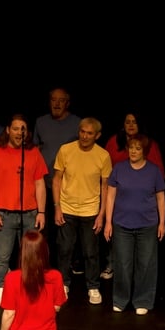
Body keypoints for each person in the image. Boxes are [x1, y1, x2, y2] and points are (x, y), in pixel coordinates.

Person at [0, 114, 48, 307]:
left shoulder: (33, 152)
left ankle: (29, 288)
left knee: (30, 254)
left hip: (29, 212)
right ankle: (0, 287)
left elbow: (39, 183)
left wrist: (41, 212)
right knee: (3, 254)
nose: (20, 132)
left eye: (23, 129)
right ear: (8, 130)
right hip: (3, 212)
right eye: (16, 128)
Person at [103, 133, 165, 315]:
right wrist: (108, 222)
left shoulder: (153, 171)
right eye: (131, 148)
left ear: (145, 151)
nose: (134, 151)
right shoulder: (119, 169)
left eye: (138, 148)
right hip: (122, 224)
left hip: (147, 224)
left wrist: (162, 222)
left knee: (145, 264)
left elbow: (160, 197)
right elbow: (110, 196)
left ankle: (143, 300)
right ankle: (121, 299)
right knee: (122, 263)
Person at [52, 117, 112, 305]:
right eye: (82, 132)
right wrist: (57, 207)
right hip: (67, 208)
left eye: (89, 133)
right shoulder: (66, 150)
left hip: (90, 210)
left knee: (91, 252)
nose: (85, 136)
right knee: (64, 249)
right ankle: (63, 284)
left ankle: (93, 287)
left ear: (97, 135)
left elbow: (105, 187)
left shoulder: (103, 155)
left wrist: (101, 214)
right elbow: (57, 179)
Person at [34, 87, 82, 265]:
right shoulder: (40, 122)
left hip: (69, 185)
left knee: (67, 228)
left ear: (67, 103)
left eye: (61, 100)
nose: (57, 103)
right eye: (53, 99)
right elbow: (36, 149)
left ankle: (68, 264)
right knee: (44, 225)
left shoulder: (77, 123)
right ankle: (44, 262)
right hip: (45, 183)